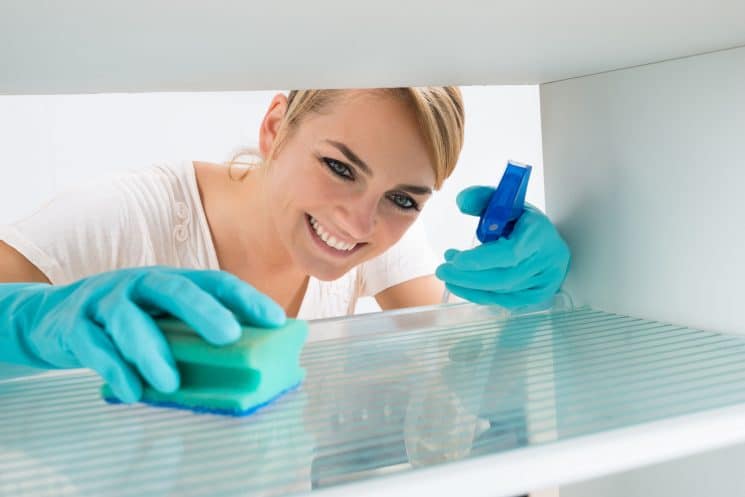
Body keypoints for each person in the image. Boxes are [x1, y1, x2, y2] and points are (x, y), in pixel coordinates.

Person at [0, 87, 570, 404]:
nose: (359, 222)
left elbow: (458, 373)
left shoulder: (380, 235)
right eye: (339, 167)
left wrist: (525, 301)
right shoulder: (122, 215)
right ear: (275, 126)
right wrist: (32, 324)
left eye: (404, 199)